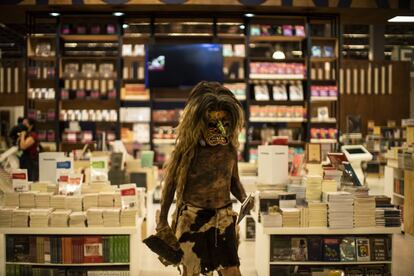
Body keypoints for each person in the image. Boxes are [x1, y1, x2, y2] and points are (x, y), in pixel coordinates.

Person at [156, 81, 253, 276]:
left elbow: (233, 181)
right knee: (191, 271)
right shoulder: (188, 150)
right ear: (200, 122)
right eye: (213, 124)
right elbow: (171, 183)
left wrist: (244, 199)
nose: (220, 130)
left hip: (223, 218)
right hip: (192, 218)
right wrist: (163, 219)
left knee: (232, 270)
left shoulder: (229, 150)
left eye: (225, 124)